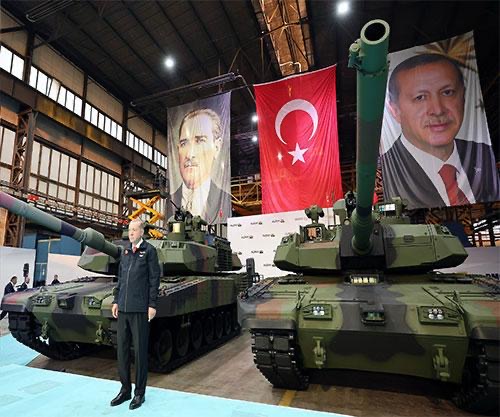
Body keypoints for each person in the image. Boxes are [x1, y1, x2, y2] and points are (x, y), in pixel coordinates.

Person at [381, 53, 500, 209]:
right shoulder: (389, 171)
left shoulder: (483, 155)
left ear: (463, 96)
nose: (438, 110)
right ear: (394, 110)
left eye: (447, 92)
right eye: (420, 97)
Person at [110, 219, 160, 410]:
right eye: (129, 229)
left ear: (141, 232)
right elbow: (121, 278)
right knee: (122, 351)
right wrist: (116, 300)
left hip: (139, 309)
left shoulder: (149, 251)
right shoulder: (125, 251)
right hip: (123, 308)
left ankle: (139, 393)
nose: (130, 233)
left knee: (139, 352)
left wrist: (152, 304)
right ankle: (125, 390)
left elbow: (154, 279)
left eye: (134, 230)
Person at [169, 108, 231, 222]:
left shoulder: (225, 199)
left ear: (216, 147)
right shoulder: (168, 200)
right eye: (184, 143)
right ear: (178, 149)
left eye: (200, 141)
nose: (190, 154)